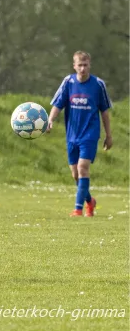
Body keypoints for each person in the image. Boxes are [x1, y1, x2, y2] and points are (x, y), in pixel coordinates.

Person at [48, 51, 113, 217]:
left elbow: (105, 112)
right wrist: (50, 120)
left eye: (85, 65)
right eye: (80, 65)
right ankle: (90, 201)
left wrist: (108, 135)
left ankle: (78, 209)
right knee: (75, 174)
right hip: (72, 135)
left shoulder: (98, 84)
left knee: (83, 168)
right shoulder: (68, 82)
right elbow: (58, 105)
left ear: (89, 65)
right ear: (74, 66)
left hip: (90, 135)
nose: (83, 68)